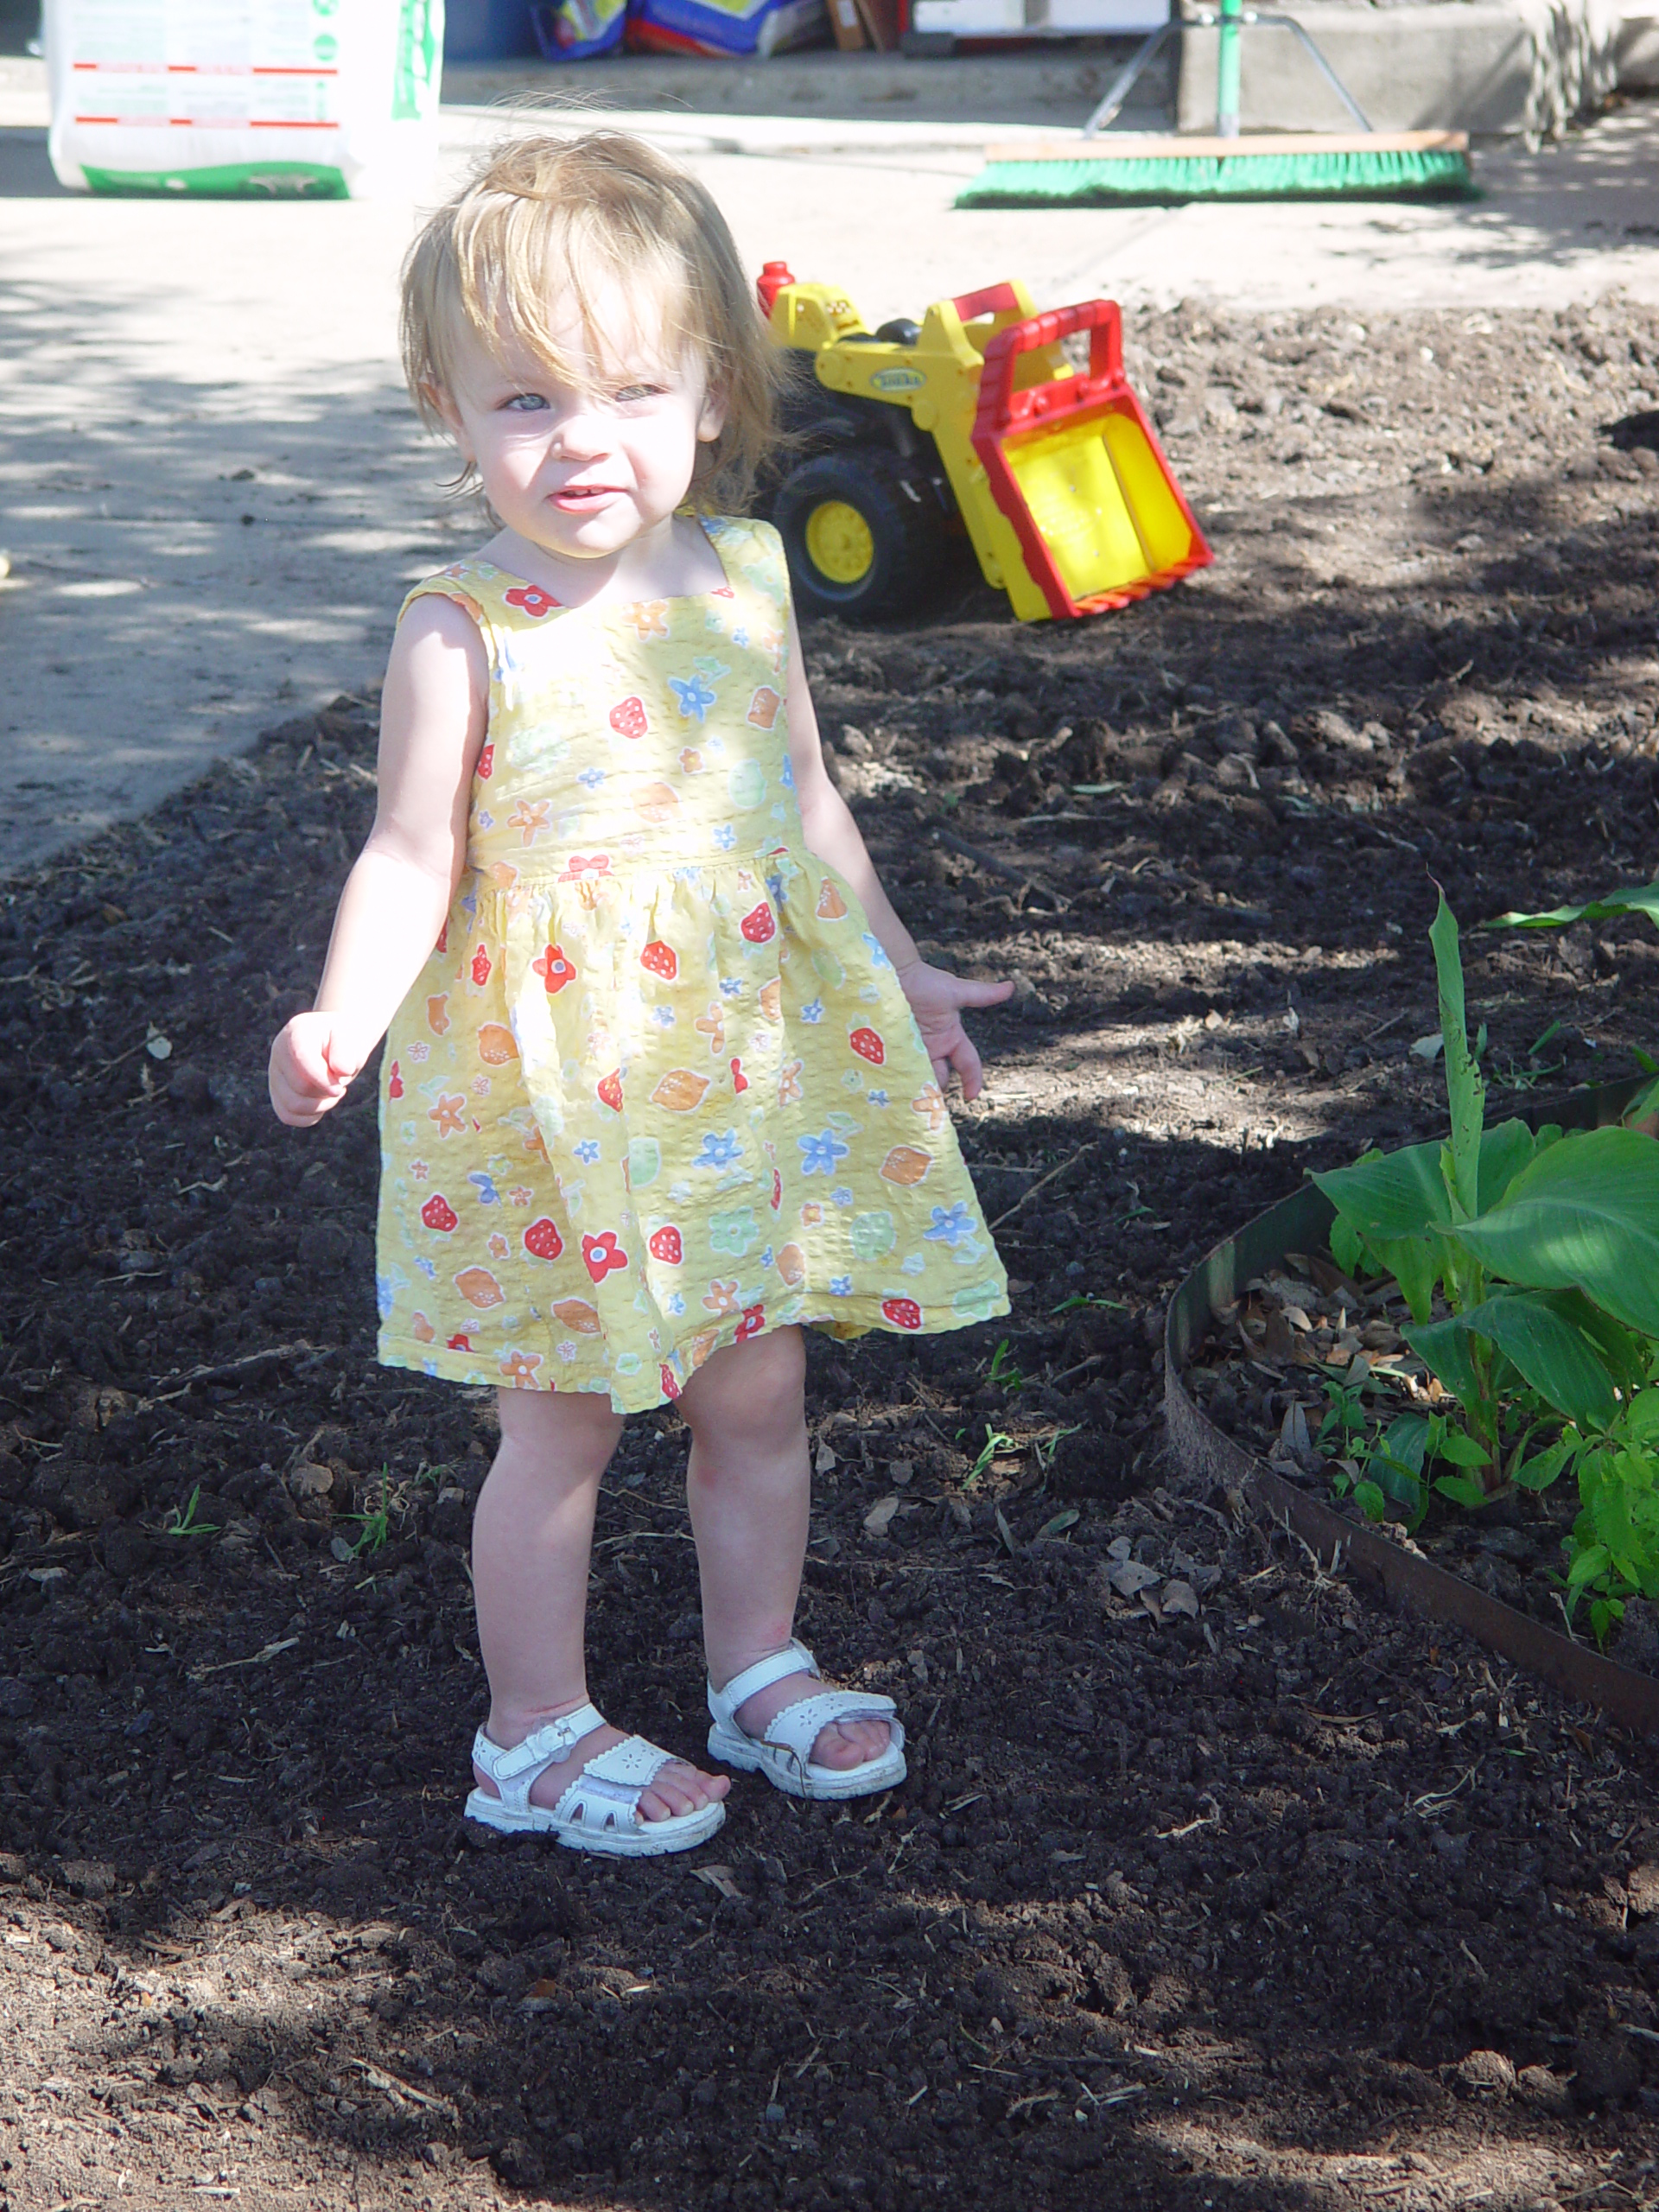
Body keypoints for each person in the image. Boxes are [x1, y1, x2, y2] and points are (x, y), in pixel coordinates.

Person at [268, 132, 1011, 1857]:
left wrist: (897, 971)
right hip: (548, 1093)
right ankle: (531, 1731)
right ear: (447, 407)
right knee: (569, 1415)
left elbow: (803, 803)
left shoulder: (746, 577)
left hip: (737, 1073)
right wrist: (342, 1014)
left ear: (711, 388)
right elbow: (406, 856)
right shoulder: (463, 629)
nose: (579, 438)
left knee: (758, 1391)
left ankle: (755, 1660)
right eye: (523, 399)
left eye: (625, 389)